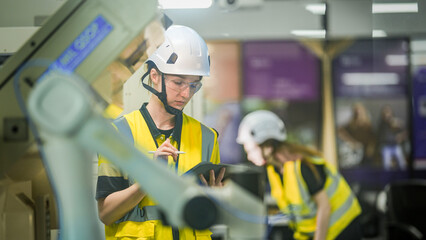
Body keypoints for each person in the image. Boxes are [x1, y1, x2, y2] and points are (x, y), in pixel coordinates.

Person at [96, 25, 225, 240]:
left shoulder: (207, 138)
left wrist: (216, 200)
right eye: (178, 82)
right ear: (154, 76)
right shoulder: (117, 134)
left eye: (194, 85)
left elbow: (211, 215)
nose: (186, 93)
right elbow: (106, 214)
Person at [237, 110, 362, 240]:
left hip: (343, 229)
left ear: (268, 146)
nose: (249, 156)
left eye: (250, 149)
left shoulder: (302, 166)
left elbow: (324, 207)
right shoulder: (274, 169)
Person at [337, 102, 376, 168]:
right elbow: (340, 130)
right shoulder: (351, 123)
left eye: (359, 110)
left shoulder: (368, 124)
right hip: (355, 150)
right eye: (356, 111)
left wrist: (370, 148)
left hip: (366, 151)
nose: (358, 112)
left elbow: (372, 138)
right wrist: (352, 142)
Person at [377, 105, 407, 170]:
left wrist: (400, 136)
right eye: (384, 113)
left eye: (388, 112)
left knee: (402, 164)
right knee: (386, 164)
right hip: (386, 146)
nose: (386, 114)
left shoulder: (397, 121)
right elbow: (379, 136)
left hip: (395, 145)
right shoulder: (381, 124)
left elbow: (405, 132)